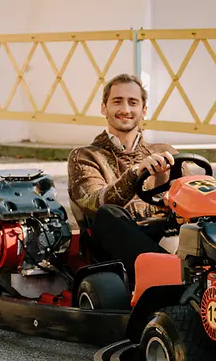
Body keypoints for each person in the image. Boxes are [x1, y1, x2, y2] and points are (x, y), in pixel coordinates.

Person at [67, 73, 179, 278]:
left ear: (143, 110)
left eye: (133, 102)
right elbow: (94, 203)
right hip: (116, 242)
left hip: (167, 232)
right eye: (117, 101)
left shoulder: (165, 151)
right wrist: (134, 174)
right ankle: (171, 274)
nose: (125, 109)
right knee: (107, 213)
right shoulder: (85, 156)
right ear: (104, 108)